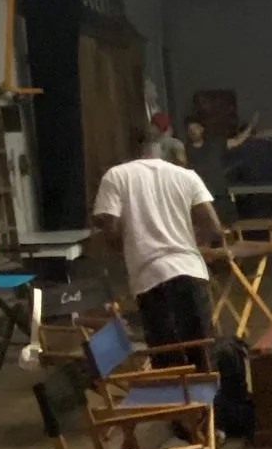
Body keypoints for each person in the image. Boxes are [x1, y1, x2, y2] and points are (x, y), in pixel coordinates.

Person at [91, 139, 223, 353]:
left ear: (136, 155)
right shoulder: (187, 176)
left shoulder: (116, 176)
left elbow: (112, 231)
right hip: (191, 272)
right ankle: (203, 385)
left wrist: (126, 250)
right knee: (202, 354)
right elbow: (214, 227)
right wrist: (192, 246)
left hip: (149, 278)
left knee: (165, 358)